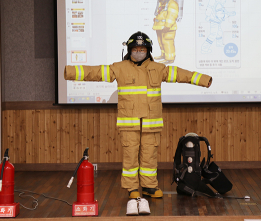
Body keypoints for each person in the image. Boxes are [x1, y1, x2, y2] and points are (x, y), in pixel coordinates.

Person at [64, 31, 212, 199]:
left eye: (142, 48)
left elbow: (179, 74)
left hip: (151, 124)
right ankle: (132, 188)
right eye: (136, 48)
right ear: (130, 49)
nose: (139, 51)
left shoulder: (158, 68)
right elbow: (96, 72)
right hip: (129, 124)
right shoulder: (119, 68)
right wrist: (70, 71)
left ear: (148, 50)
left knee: (150, 158)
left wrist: (203, 79)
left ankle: (149, 187)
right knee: (130, 159)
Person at [153, 0, 179, 64]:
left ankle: (170, 58)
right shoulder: (162, 3)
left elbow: (172, 15)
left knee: (167, 41)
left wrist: (167, 26)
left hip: (168, 28)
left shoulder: (172, 3)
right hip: (160, 27)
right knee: (161, 41)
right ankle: (164, 55)